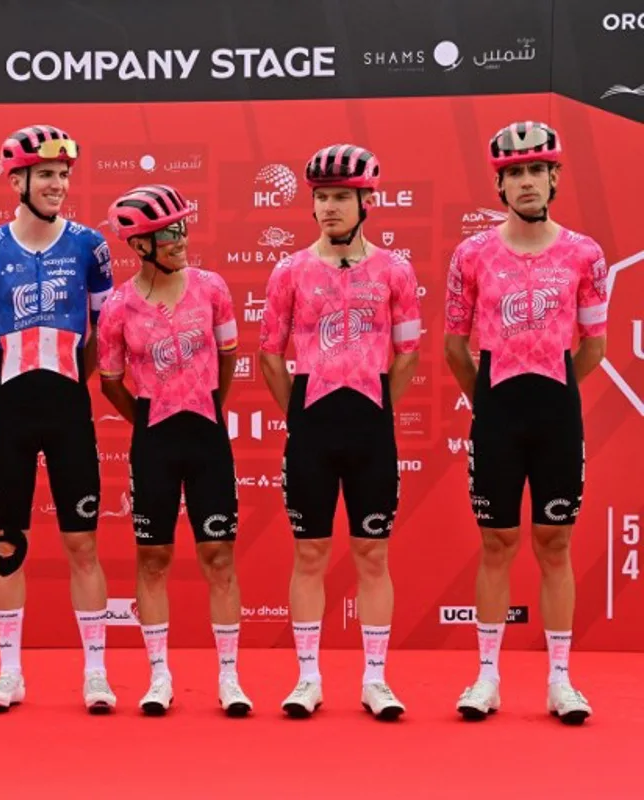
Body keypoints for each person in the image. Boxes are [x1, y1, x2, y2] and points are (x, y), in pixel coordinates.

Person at [445, 122, 605, 725]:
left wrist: (552, 390)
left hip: (557, 411)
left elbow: (594, 344)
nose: (527, 181)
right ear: (501, 186)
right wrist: (488, 401)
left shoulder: (585, 253)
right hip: (497, 411)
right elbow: (455, 347)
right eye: (514, 173)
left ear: (555, 177)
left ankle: (561, 681)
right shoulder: (472, 254)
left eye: (536, 170)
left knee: (555, 543)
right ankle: (486, 677)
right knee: (496, 543)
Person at [258, 144, 421, 721]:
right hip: (312, 422)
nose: (329, 207)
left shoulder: (396, 269)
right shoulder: (290, 270)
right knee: (309, 552)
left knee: (373, 554)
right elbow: (270, 357)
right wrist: (298, 415)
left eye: (340, 198)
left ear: (365, 202)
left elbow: (408, 353)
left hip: (370, 423)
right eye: (321, 197)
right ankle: (308, 679)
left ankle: (376, 681)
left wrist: (379, 408)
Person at [0, 125, 116, 713]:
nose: (57, 185)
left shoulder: (90, 245)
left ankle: (97, 673)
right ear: (17, 180)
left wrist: (72, 378)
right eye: (46, 175)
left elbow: (105, 330)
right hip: (10, 406)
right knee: (8, 543)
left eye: (63, 175)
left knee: (83, 543)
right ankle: (10, 674)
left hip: (68, 405)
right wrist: (15, 371)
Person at [99, 184, 251, 716]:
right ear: (139, 245)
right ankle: (159, 675)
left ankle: (229, 678)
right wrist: (147, 418)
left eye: (183, 227)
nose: (180, 238)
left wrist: (204, 404)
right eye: (167, 233)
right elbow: (111, 381)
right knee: (154, 557)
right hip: (153, 439)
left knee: (219, 557)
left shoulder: (212, 287)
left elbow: (230, 357)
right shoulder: (117, 306)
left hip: (207, 433)